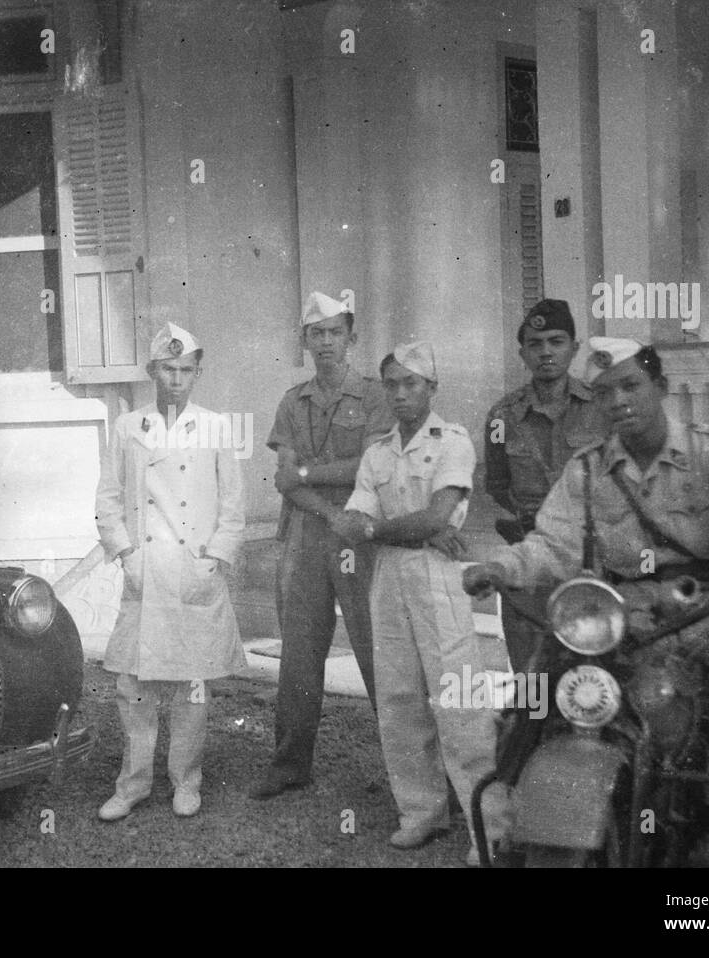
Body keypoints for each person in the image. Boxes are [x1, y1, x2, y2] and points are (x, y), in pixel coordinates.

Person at [463, 337, 709, 865]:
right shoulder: (585, 470)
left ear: (660, 388)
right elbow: (550, 543)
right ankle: (514, 804)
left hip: (708, 606)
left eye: (630, 385)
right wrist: (500, 567)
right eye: (604, 393)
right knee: (540, 679)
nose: (618, 400)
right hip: (621, 612)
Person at [336, 341, 510, 863]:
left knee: (458, 702)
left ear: (431, 388)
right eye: (391, 384)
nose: (400, 394)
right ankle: (422, 813)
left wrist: (389, 529)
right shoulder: (377, 452)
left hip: (437, 579)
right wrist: (408, 530)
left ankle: (489, 829)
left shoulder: (453, 442)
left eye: (411, 383)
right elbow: (349, 524)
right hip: (388, 578)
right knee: (398, 699)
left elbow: (436, 518)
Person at [94, 322, 245, 821]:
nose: (177, 379)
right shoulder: (128, 427)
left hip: (193, 571)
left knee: (191, 684)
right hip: (147, 570)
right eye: (168, 369)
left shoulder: (216, 426)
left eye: (186, 370)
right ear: (151, 371)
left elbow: (233, 504)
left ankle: (187, 780)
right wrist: (125, 555)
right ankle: (133, 784)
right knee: (133, 686)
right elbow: (108, 499)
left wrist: (215, 560)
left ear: (197, 372)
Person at [249, 291, 392, 800]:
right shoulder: (294, 401)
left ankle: (407, 770)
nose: (326, 342)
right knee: (300, 653)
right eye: (317, 333)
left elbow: (368, 469)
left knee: (378, 648)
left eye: (335, 332)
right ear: (305, 341)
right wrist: (328, 506)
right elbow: (283, 481)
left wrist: (308, 471)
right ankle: (290, 763)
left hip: (362, 533)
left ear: (351, 339)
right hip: (311, 532)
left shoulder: (375, 397)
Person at [483, 298, 605, 670]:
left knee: (594, 669)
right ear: (522, 353)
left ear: (574, 348)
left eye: (556, 341)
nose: (546, 352)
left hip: (593, 559)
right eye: (535, 344)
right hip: (529, 560)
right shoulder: (503, 417)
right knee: (530, 671)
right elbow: (497, 483)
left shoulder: (602, 408)